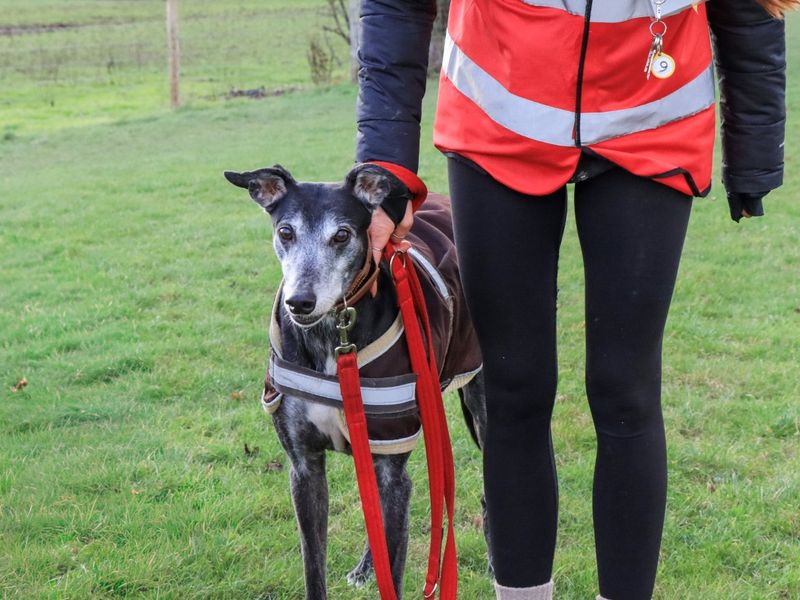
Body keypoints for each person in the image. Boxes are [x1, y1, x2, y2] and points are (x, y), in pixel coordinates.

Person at [355, 1, 790, 598]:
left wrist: (755, 151)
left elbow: (749, 9)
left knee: (625, 390)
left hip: (651, 115)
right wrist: (385, 168)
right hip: (497, 109)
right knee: (513, 388)